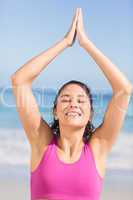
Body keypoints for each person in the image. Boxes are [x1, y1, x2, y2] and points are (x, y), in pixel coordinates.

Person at [11, 8, 132, 200]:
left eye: (81, 100)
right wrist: (65, 42)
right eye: (65, 99)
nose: (73, 104)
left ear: (90, 114)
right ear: (56, 112)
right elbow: (20, 80)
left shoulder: (97, 148)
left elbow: (124, 89)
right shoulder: (42, 143)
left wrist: (86, 44)